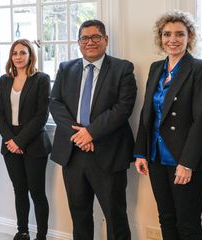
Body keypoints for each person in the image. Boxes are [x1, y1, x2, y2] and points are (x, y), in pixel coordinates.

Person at [50, 19, 137, 240]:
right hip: (73, 153)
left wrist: (90, 133)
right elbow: (55, 103)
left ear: (105, 40)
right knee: (79, 214)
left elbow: (123, 108)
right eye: (85, 38)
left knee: (115, 216)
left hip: (108, 154)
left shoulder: (122, 68)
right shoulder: (66, 68)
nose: (90, 42)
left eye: (96, 37)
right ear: (79, 43)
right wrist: (78, 135)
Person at [133, 11, 202, 240]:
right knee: (166, 219)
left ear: (190, 37)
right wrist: (141, 151)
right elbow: (147, 113)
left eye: (180, 34)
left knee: (187, 224)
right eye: (167, 34)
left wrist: (187, 163)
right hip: (157, 157)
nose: (173, 39)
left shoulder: (201, 68)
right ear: (160, 38)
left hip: (187, 160)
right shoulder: (155, 68)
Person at [0, 39, 52, 240]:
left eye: (23, 53)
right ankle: (22, 231)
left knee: (37, 193)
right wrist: (11, 141)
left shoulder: (42, 79)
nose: (18, 57)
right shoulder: (4, 80)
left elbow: (41, 116)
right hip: (10, 144)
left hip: (34, 143)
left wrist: (20, 141)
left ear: (30, 56)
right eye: (14, 53)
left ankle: (42, 235)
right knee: (19, 190)